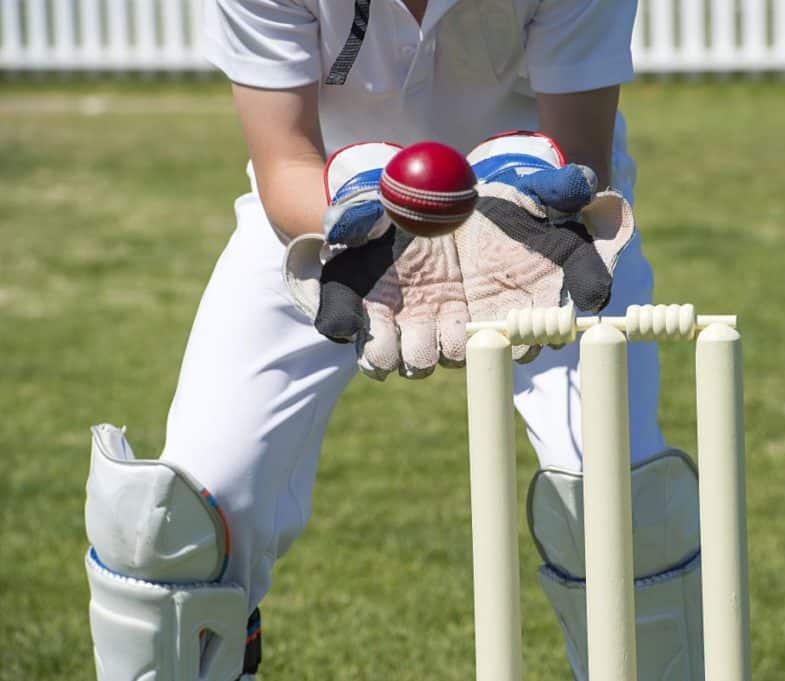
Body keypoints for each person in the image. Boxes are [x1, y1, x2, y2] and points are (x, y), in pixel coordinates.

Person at [81, 1, 703, 679]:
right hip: (330, 216)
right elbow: (284, 158)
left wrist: (509, 213)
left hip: (542, 225)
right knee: (167, 531)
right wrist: (352, 215)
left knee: (624, 513)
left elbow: (579, 157)